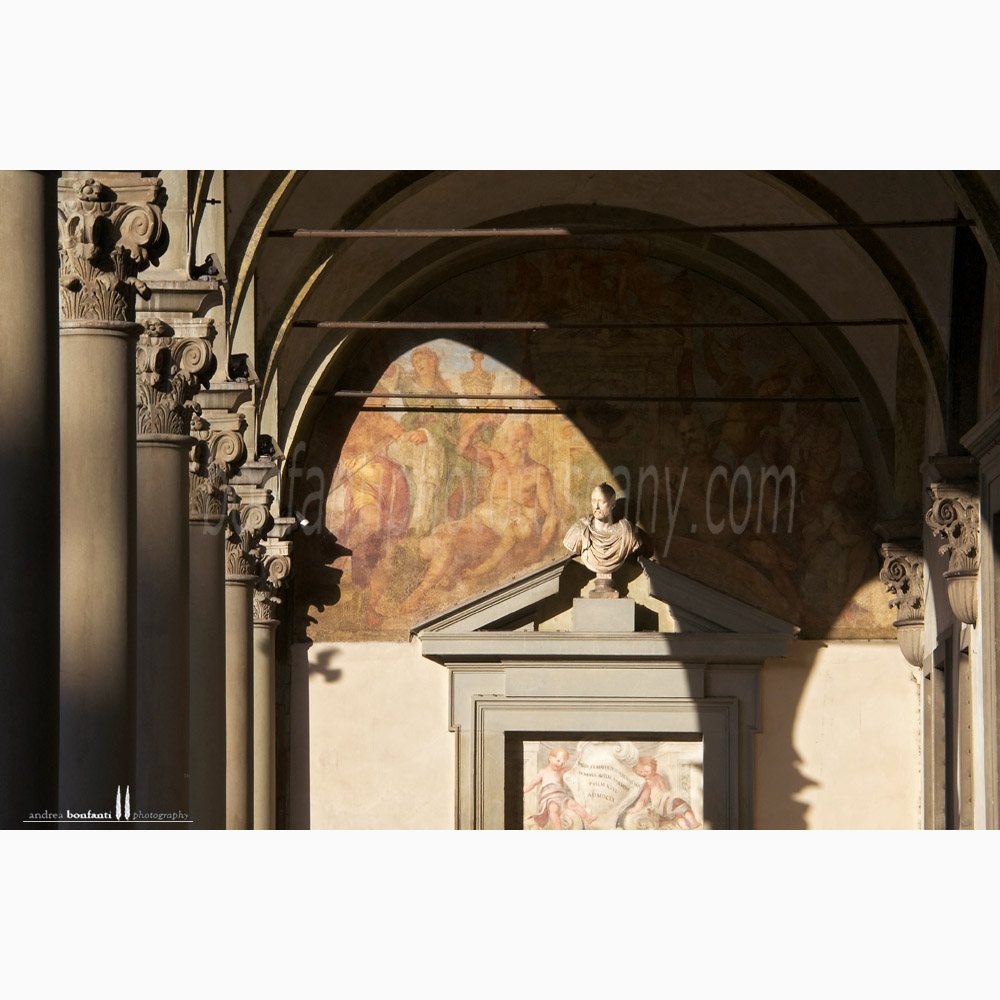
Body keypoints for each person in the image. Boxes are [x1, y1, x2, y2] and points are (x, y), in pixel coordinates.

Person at [563, 482, 642, 576]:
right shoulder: (579, 531)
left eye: (602, 502)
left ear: (613, 504)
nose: (596, 507)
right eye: (593, 501)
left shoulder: (628, 533)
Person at [524, 747, 598, 830]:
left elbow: (576, 769)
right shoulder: (543, 772)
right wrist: (522, 790)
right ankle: (559, 829)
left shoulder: (561, 771)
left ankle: (588, 818)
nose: (560, 764)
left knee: (574, 804)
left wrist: (579, 759)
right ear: (550, 758)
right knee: (553, 810)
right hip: (549, 798)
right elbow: (532, 784)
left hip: (562, 796)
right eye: (558, 761)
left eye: (562, 763)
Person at [626, 756, 700, 830]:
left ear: (653, 770)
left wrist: (635, 809)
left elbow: (643, 799)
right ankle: (693, 823)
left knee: (678, 813)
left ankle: (685, 827)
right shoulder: (656, 778)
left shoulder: (650, 782)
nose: (643, 774)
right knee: (682, 808)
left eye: (646, 772)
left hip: (662, 803)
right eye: (640, 772)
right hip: (666, 801)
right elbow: (647, 797)